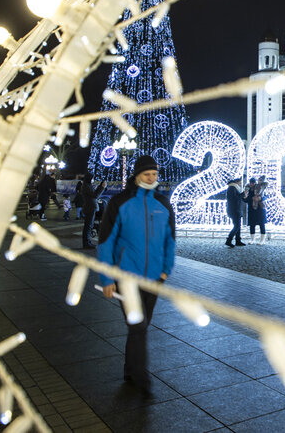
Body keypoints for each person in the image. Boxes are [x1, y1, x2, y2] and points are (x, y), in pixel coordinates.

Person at [97, 155, 175, 393]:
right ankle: (142, 379)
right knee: (138, 325)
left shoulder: (163, 203)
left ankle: (130, 370)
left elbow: (170, 241)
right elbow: (105, 242)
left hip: (154, 279)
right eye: (146, 174)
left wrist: (164, 272)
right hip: (127, 277)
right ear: (137, 176)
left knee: (140, 326)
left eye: (154, 174)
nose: (151, 178)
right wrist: (107, 278)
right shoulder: (120, 203)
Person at [81, 173, 106, 249]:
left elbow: (94, 194)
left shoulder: (88, 185)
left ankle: (88, 242)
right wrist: (102, 187)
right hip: (90, 208)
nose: (93, 180)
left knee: (89, 226)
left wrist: (101, 187)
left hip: (91, 207)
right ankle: (86, 243)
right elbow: (95, 195)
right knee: (88, 226)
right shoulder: (86, 186)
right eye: (92, 178)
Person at [243, 175, 268, 244]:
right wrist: (246, 197)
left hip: (260, 209)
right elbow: (246, 200)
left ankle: (262, 240)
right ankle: (252, 239)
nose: (251, 184)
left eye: (253, 183)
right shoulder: (247, 189)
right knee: (252, 224)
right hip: (251, 209)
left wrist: (260, 199)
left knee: (261, 224)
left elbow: (265, 196)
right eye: (251, 183)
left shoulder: (260, 188)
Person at [225, 178, 245, 248]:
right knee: (236, 226)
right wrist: (243, 194)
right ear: (237, 182)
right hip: (234, 210)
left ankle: (238, 240)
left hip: (236, 209)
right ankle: (229, 240)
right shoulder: (232, 188)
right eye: (240, 182)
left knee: (238, 226)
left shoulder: (234, 188)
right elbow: (234, 199)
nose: (240, 184)